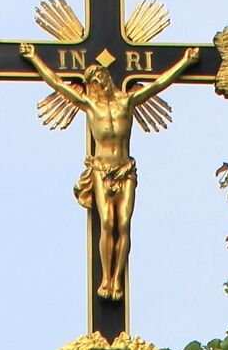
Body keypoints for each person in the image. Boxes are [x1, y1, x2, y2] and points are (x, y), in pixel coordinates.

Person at [28, 49, 195, 301]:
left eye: (100, 79)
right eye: (92, 82)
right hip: (101, 170)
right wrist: (33, 58)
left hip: (125, 169)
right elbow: (56, 82)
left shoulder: (126, 102)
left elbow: (160, 83)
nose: (97, 84)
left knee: (123, 224)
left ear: (107, 78)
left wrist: (185, 61)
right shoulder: (90, 106)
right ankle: (106, 279)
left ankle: (117, 280)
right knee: (107, 223)